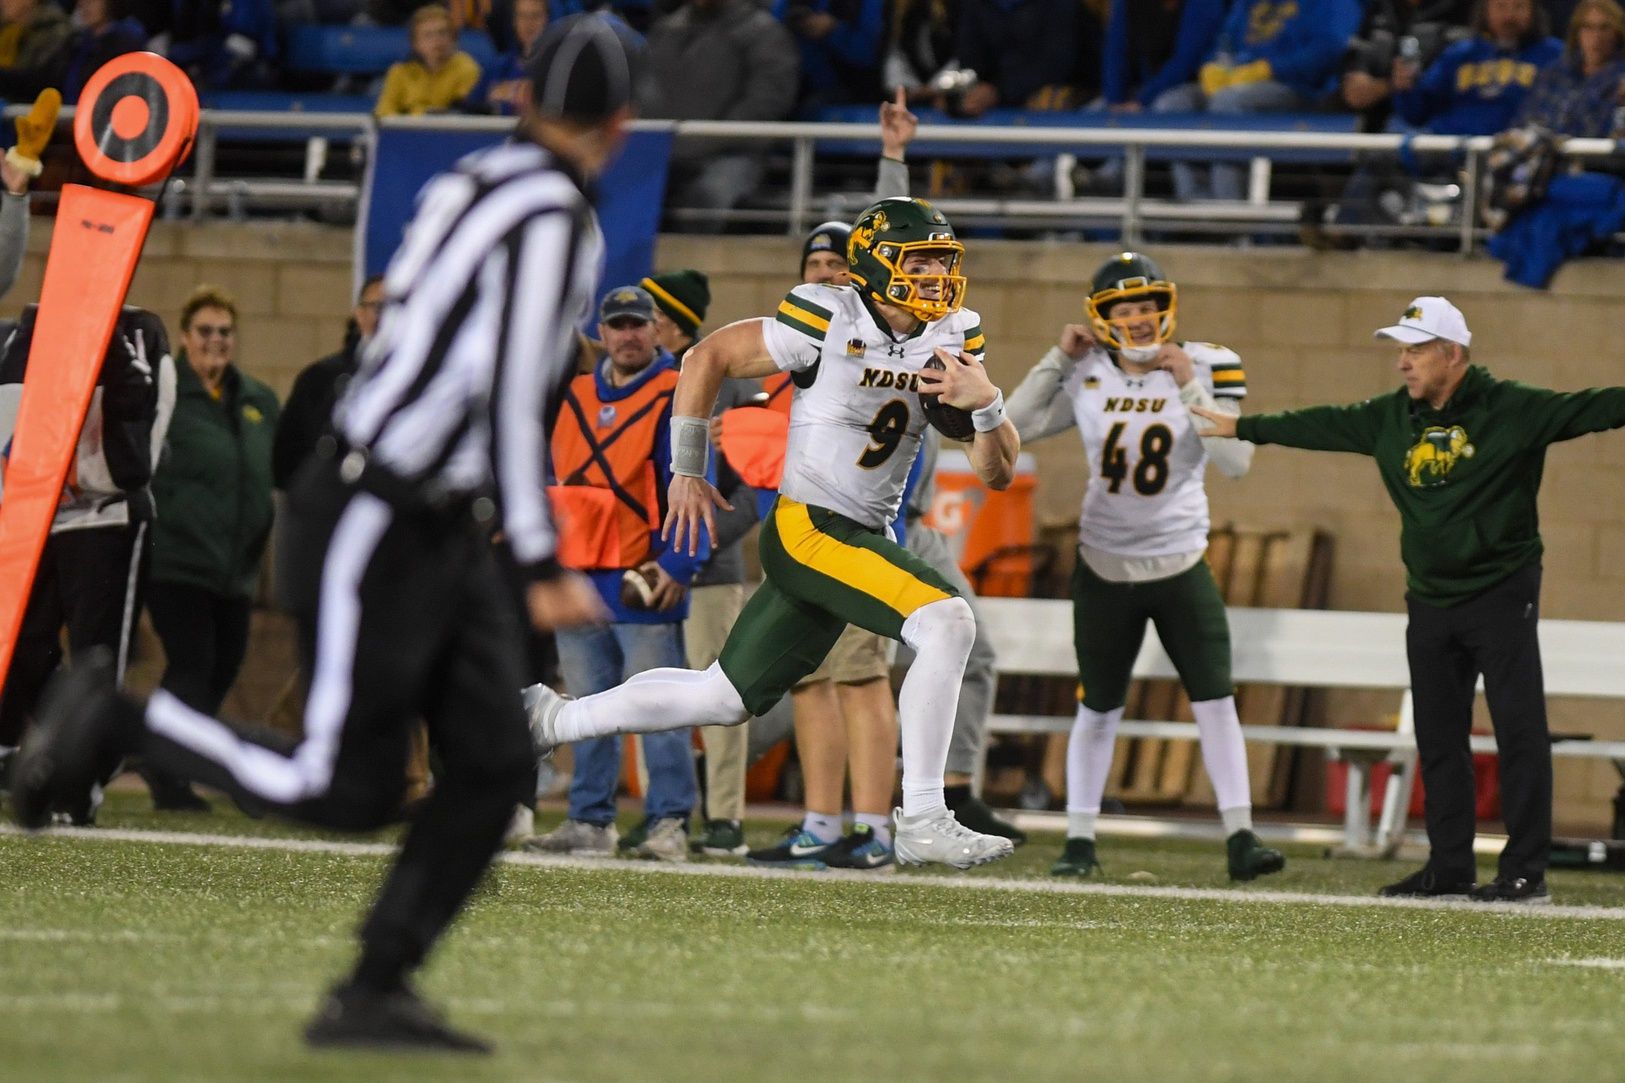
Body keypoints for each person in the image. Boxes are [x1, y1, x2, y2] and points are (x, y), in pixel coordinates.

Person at [11, 13, 633, 1051]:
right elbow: (510, 391)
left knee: (485, 769)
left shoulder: (471, 181)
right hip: (384, 513)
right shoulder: (552, 217)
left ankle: (375, 989)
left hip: (430, 511)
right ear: (617, 125)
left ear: (521, 98)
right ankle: (119, 722)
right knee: (342, 789)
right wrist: (539, 555)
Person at [526, 195, 1022, 871]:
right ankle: (925, 815)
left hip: (860, 532)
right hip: (808, 526)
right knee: (947, 621)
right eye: (921, 258)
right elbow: (707, 356)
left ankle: (551, 720)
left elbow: (995, 471)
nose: (937, 273)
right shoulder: (827, 313)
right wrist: (687, 468)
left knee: (723, 696)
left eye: (943, 259)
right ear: (877, 266)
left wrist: (988, 407)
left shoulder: (951, 336)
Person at [1193, 295, 1625, 905]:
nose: (1403, 363)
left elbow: (1598, 408)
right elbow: (1319, 424)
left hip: (1502, 591)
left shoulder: (1514, 408)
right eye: (1400, 350)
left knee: (1519, 733)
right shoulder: (1389, 418)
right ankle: (1448, 868)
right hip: (1429, 598)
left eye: (1416, 351)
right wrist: (1243, 426)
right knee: (1438, 736)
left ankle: (1525, 872)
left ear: (1453, 355)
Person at [1005, 252, 1284, 882]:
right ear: (1101, 318)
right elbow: (1012, 425)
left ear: (1167, 308)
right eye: (1122, 309)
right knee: (1098, 705)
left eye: (1145, 306)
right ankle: (1079, 839)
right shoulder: (1087, 373)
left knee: (1215, 700)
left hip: (1182, 561)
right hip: (1105, 564)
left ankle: (1241, 836)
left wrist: (1188, 383)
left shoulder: (1209, 362)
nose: (1136, 320)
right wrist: (1057, 360)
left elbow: (1237, 464)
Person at [525, 285, 704, 862]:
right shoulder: (572, 394)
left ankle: (669, 821)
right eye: (618, 324)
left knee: (659, 707)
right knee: (583, 704)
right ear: (601, 332)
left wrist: (677, 563)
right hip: (579, 573)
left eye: (639, 324)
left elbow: (696, 484)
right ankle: (589, 819)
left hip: (642, 574)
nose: (628, 334)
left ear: (658, 331)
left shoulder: (680, 392)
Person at [0, 306, 174, 825]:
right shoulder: (22, 335)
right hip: (40, 513)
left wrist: (103, 339)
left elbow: (139, 420)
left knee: (98, 658)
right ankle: (48, 754)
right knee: (25, 650)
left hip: (105, 514)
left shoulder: (138, 331)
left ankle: (84, 784)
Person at [141, 285, 279, 813]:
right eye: (205, 331)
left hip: (236, 569)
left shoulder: (258, 400)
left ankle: (169, 757)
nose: (215, 341)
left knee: (222, 668)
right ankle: (164, 765)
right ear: (184, 337)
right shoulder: (167, 395)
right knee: (192, 664)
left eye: (224, 331)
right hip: (178, 561)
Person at [1153, 0, 1364, 201]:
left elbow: (1329, 49)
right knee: (1172, 103)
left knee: (1228, 101)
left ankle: (1229, 208)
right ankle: (1195, 203)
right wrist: (1214, 65)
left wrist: (1269, 69)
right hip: (1238, 82)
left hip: (1300, 90)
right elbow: (1224, 40)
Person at [642, 0, 799, 232]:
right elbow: (644, 94)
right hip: (665, 152)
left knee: (709, 195)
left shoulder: (764, 33)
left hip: (732, 153)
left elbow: (766, 103)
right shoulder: (666, 29)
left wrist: (699, 142)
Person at [272, 275, 384, 491]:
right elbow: (286, 461)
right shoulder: (320, 378)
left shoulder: (426, 384)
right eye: (378, 307)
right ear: (359, 315)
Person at [374, 4, 482, 118]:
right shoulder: (400, 71)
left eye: (442, 32)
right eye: (428, 35)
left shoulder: (467, 68)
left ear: (454, 38)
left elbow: (465, 112)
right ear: (416, 43)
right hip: (407, 132)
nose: (437, 40)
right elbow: (383, 112)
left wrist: (415, 114)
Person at [472, 0, 545, 115]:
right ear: (514, 22)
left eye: (535, 16)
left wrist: (509, 96)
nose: (529, 23)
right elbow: (471, 106)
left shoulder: (557, 68)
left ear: (546, 20)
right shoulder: (498, 65)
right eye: (523, 16)